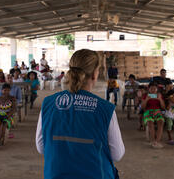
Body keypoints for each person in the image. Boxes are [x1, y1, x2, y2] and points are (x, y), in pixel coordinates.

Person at [35, 49, 125, 179]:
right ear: (94, 74)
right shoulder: (105, 108)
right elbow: (117, 154)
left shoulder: (48, 104)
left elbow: (41, 147)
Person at [141, 82, 165, 148]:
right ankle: (153, 141)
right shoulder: (145, 95)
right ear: (149, 89)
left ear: (157, 89)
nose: (153, 90)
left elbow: (163, 107)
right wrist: (146, 99)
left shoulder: (159, 95)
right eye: (151, 88)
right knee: (150, 123)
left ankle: (157, 141)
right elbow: (143, 107)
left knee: (161, 122)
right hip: (148, 111)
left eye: (155, 88)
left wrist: (160, 99)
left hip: (158, 111)